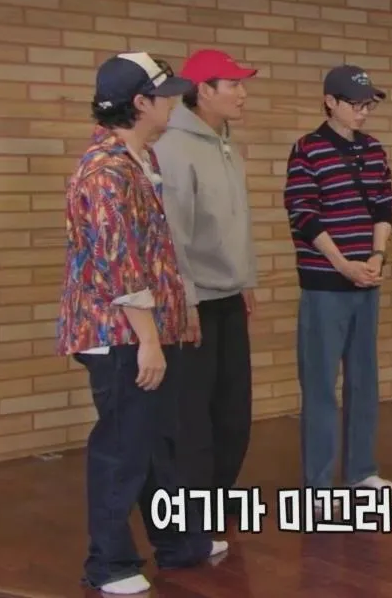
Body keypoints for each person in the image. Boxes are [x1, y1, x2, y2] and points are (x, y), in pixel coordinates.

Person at [56, 52, 226, 594]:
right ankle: (108, 565)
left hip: (145, 330)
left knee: (157, 442)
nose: (174, 103)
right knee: (123, 447)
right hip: (119, 335)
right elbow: (120, 264)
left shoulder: (139, 159)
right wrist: (149, 339)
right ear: (139, 103)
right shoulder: (106, 171)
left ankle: (179, 543)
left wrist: (178, 314)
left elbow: (152, 252)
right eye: (166, 96)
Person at [283, 65, 392, 508]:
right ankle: (317, 484)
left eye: (368, 104)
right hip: (325, 284)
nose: (363, 112)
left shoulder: (374, 149)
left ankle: (361, 471)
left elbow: (384, 206)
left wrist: (376, 256)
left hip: (366, 280)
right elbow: (303, 214)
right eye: (355, 104)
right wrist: (342, 264)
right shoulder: (307, 149)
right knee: (320, 385)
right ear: (330, 102)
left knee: (364, 381)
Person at [153, 49, 259, 496]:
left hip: (229, 297)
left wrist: (246, 279)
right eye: (233, 84)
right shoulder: (174, 150)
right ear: (204, 92)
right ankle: (193, 504)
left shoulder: (226, 146)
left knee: (233, 409)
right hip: (196, 304)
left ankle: (219, 490)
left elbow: (238, 220)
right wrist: (187, 299)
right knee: (192, 413)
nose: (243, 93)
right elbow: (172, 234)